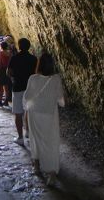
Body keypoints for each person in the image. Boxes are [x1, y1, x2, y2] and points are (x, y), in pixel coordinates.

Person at [23, 52, 65, 185]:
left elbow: (27, 98)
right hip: (50, 116)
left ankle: (36, 166)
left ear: (39, 64)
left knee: (36, 140)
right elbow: (61, 102)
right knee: (51, 142)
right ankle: (51, 174)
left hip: (35, 115)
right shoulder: (56, 79)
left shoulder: (33, 78)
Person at [7, 38, 37, 146]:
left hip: (18, 87)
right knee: (29, 110)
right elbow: (36, 73)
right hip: (30, 88)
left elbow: (9, 72)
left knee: (18, 113)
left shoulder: (15, 58)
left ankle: (20, 137)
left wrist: (13, 79)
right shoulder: (33, 59)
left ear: (19, 46)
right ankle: (28, 132)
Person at [0, 41, 12, 106]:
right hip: (7, 70)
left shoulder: (0, 53)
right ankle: (6, 101)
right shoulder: (9, 53)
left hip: (2, 70)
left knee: (1, 86)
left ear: (1, 46)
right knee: (6, 86)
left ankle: (0, 101)